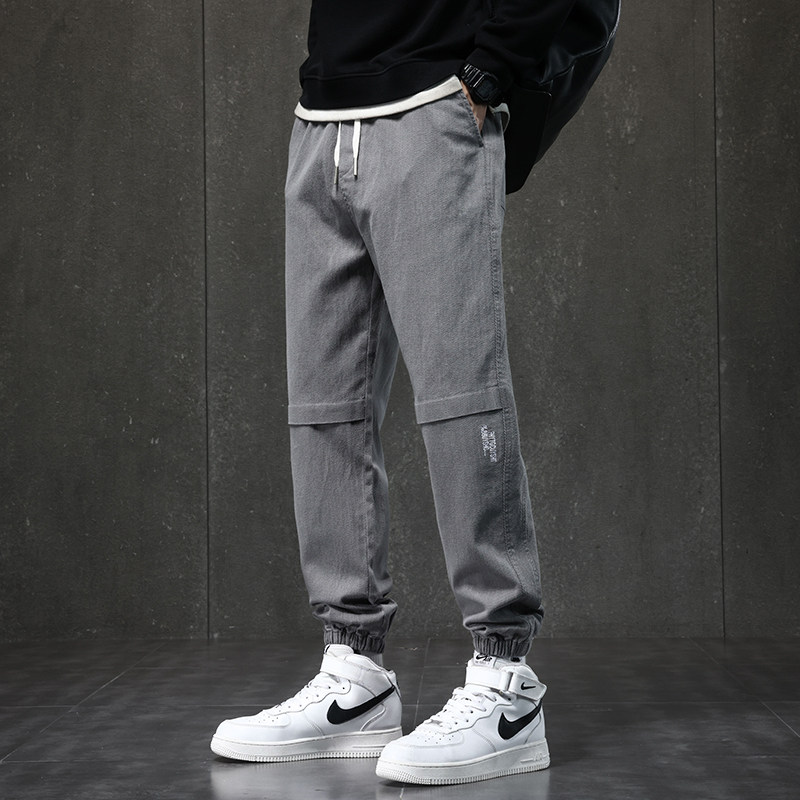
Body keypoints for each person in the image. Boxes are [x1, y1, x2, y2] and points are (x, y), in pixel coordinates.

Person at [211, 0, 575, 785]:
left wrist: (490, 71)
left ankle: (506, 679)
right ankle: (356, 674)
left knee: (462, 399)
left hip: (436, 101)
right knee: (325, 410)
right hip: (323, 115)